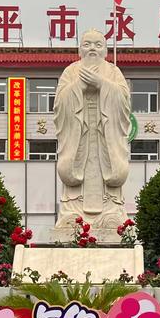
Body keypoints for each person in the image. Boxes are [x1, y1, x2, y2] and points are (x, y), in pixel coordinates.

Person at [53, 29, 130, 236]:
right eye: (87, 44)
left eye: (98, 44)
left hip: (105, 138)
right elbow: (59, 105)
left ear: (105, 50)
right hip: (80, 138)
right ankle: (73, 217)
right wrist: (80, 85)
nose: (92, 48)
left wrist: (101, 84)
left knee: (111, 203)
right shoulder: (71, 72)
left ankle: (111, 216)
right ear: (79, 49)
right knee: (73, 202)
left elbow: (124, 104)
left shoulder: (113, 72)